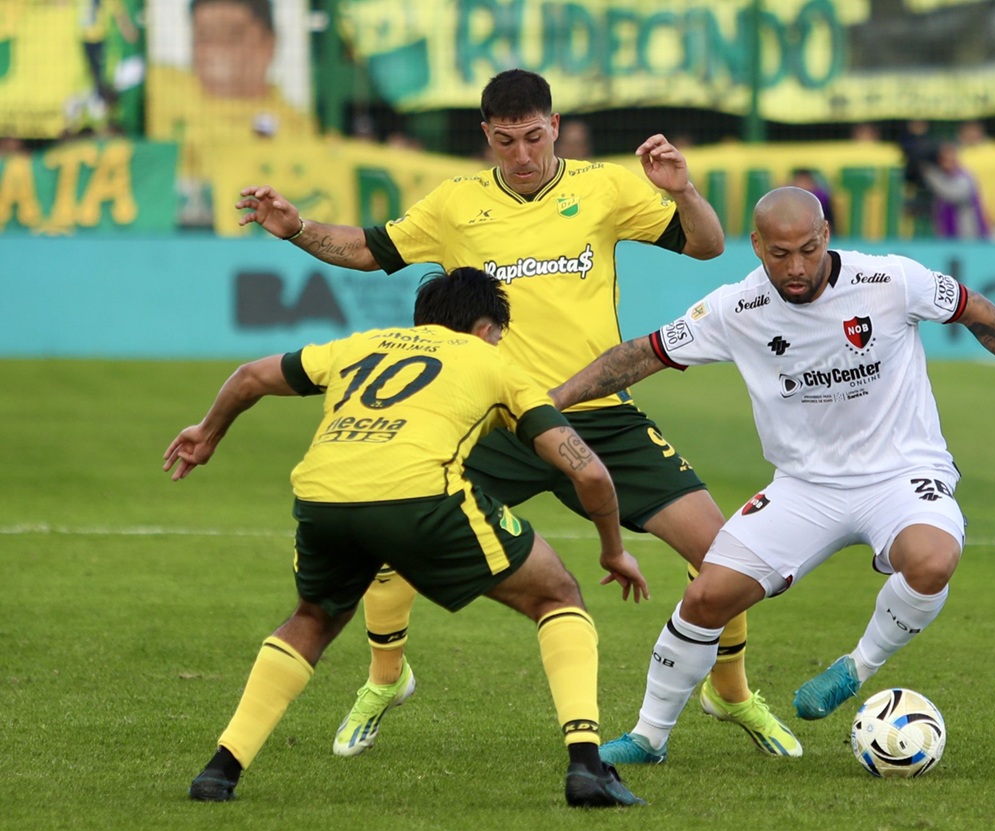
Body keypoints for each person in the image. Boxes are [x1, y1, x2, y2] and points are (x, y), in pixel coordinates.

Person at [234, 69, 801, 762]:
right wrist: (296, 229)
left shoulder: (606, 186)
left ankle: (731, 692)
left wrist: (681, 189)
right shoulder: (455, 204)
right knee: (386, 543)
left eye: (534, 137)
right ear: (487, 138)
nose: (523, 155)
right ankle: (386, 680)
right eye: (506, 141)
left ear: (555, 126)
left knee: (725, 557)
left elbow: (708, 244)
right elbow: (367, 250)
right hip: (494, 422)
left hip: (596, 413)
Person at [547, 186, 995, 764]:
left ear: (826, 235)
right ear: (756, 245)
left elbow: (976, 309)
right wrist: (553, 399)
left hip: (903, 474)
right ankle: (648, 737)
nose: (797, 267)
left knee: (933, 559)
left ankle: (856, 667)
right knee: (708, 597)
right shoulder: (737, 309)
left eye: (808, 249)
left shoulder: (889, 281)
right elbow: (643, 353)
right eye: (779, 254)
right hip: (804, 488)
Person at [169, 267, 648, 808]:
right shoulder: (495, 364)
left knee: (313, 618)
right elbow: (588, 473)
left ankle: (219, 770)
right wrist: (614, 549)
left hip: (323, 497)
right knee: (557, 594)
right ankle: (587, 767)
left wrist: (207, 434)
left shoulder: (363, 345)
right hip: (418, 498)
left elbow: (250, 376)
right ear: (488, 328)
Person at [148, 0, 316, 225]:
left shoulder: (293, 126)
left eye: (232, 36)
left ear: (269, 43)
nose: (216, 48)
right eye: (204, 36)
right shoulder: (162, 89)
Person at [921, 141, 988, 240]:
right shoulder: (944, 176)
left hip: (967, 233)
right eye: (945, 160)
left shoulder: (964, 176)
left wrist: (931, 175)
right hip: (946, 232)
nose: (948, 163)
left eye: (951, 159)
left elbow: (953, 194)